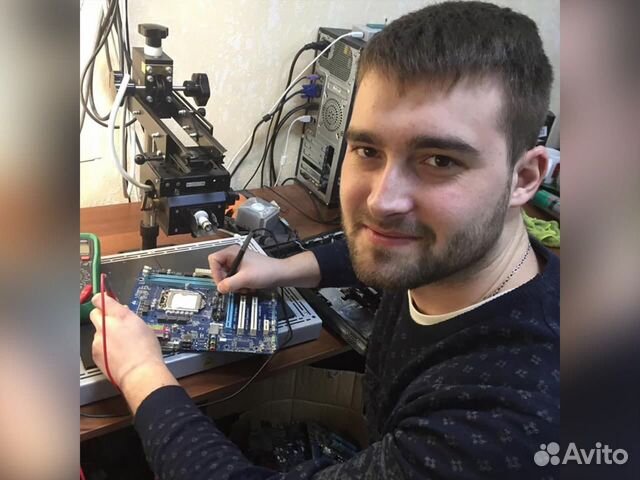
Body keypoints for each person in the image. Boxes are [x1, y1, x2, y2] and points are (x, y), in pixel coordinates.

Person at [89, 2, 559, 478]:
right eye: (368, 150)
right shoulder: (450, 257)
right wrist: (283, 268)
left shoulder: (504, 423)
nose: (381, 201)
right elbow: (381, 246)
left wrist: (139, 371)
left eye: (439, 160)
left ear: (524, 178)